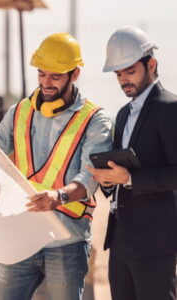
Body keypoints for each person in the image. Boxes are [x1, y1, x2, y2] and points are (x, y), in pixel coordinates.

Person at [0, 32, 112, 300]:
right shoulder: (19, 111)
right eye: (42, 74)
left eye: (55, 77)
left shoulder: (94, 119)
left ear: (75, 74)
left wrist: (60, 196)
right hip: (21, 235)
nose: (46, 83)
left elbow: (91, 176)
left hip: (66, 239)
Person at [87, 26, 177, 300]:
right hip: (121, 240)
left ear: (151, 64)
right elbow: (120, 172)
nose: (123, 80)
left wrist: (129, 179)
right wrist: (107, 179)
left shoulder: (170, 109)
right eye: (118, 74)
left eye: (130, 71)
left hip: (154, 242)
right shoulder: (124, 114)